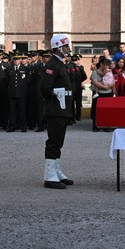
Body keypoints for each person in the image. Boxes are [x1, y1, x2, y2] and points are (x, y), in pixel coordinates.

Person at [40, 34, 75, 189]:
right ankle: (49, 176)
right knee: (54, 142)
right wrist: (56, 93)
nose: (68, 48)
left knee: (59, 141)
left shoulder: (60, 63)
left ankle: (56, 171)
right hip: (55, 109)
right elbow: (44, 87)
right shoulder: (52, 64)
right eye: (66, 46)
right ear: (59, 48)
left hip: (62, 109)